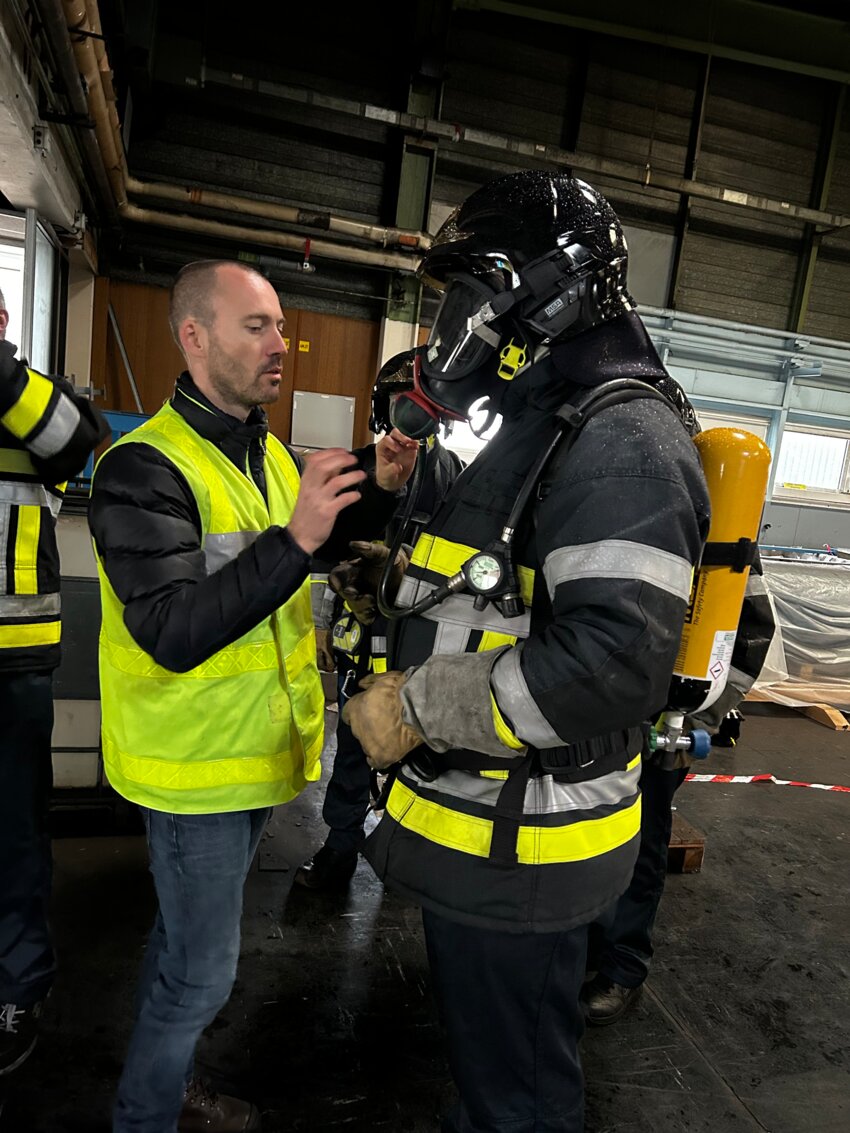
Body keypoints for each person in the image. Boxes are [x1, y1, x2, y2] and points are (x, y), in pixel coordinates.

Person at [341, 171, 712, 1132]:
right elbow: (502, 587)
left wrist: (416, 707)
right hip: (491, 837)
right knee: (494, 1074)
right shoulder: (547, 421)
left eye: (465, 293)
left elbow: (609, 662)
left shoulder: (623, 438)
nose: (450, 325)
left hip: (528, 852)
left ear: (539, 294)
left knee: (518, 1096)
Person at [87, 260, 415, 1133]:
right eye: (256, 326)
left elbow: (306, 541)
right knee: (201, 972)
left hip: (250, 756)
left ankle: (168, 1088)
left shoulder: (262, 450)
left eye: (279, 324)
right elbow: (172, 628)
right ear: (194, 337)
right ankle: (145, 1116)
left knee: (183, 948)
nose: (280, 343)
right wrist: (296, 538)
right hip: (192, 768)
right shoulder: (141, 468)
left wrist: (375, 487)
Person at [295, 348, 464, 890]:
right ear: (380, 408)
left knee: (425, 747)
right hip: (362, 636)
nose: (412, 421)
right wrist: (321, 625)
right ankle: (340, 848)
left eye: (427, 408)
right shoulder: (348, 471)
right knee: (352, 742)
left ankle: (409, 853)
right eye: (402, 405)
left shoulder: (457, 479)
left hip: (424, 639)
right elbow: (319, 557)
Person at [582, 565, 776, 1024]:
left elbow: (751, 632)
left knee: (640, 843)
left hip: (658, 730)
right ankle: (583, 942)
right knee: (577, 835)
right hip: (586, 716)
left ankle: (622, 967)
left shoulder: (722, 531)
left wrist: (696, 718)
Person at [0, 287, 108, 1075]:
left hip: (13, 663)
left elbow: (79, 439)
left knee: (12, 835)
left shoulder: (34, 401)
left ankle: (16, 988)